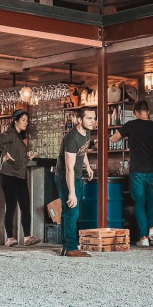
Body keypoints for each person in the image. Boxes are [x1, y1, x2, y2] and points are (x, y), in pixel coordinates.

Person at [112, 100, 153, 247]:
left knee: (139, 203)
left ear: (135, 112)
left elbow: (114, 138)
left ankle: (143, 238)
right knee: (152, 201)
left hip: (137, 170)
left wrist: (123, 135)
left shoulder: (131, 125)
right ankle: (152, 229)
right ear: (147, 111)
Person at [0, 110, 40, 247]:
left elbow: (18, 158)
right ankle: (10, 238)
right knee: (11, 206)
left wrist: (29, 156)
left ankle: (27, 237)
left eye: (27, 120)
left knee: (25, 206)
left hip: (20, 176)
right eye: (23, 120)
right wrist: (4, 153)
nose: (26, 123)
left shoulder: (19, 138)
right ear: (15, 121)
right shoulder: (11, 134)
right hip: (9, 176)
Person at [57, 106, 97, 257]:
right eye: (89, 118)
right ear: (79, 120)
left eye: (94, 118)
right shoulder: (72, 138)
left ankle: (66, 246)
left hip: (77, 175)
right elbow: (69, 169)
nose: (93, 121)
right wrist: (72, 193)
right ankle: (71, 247)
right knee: (72, 211)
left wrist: (88, 166)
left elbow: (83, 150)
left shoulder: (86, 132)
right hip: (66, 177)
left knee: (69, 212)